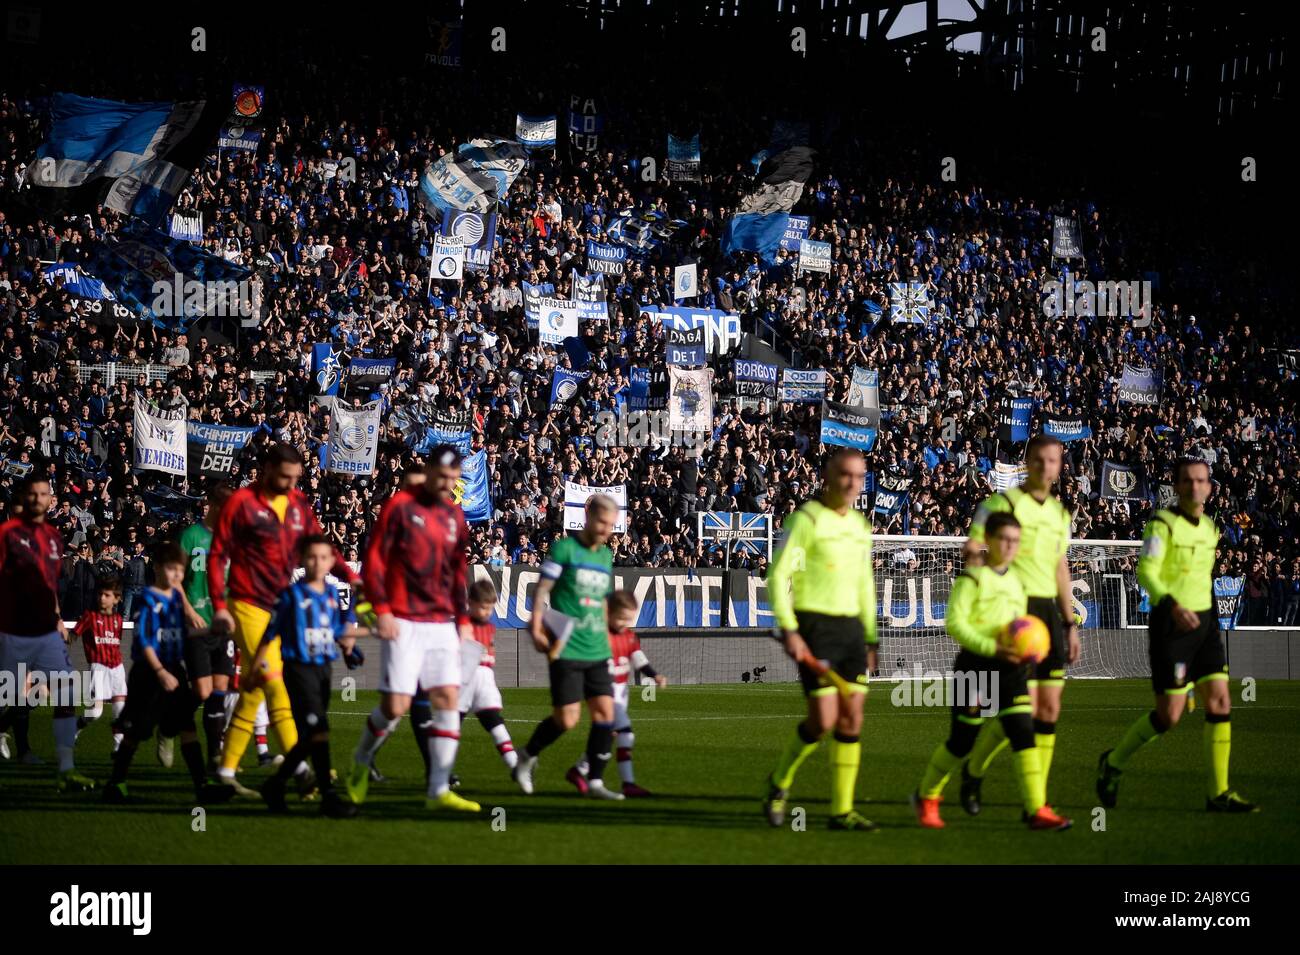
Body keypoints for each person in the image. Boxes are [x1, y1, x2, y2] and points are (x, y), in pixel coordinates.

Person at [1096, 458, 1258, 813]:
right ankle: (1114, 762)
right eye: (1188, 481)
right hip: (1171, 626)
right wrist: (1171, 604)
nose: (1195, 486)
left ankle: (1219, 793)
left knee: (1220, 702)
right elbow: (1147, 571)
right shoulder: (1162, 525)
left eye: (1201, 481)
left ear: (1210, 488)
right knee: (1168, 716)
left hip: (1205, 626)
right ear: (1177, 485)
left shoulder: (1211, 528)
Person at [208, 443, 358, 796]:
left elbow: (319, 544)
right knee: (276, 683)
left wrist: (350, 574)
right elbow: (218, 556)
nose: (291, 484)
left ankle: (225, 771)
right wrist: (218, 606)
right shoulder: (242, 504)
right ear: (267, 469)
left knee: (256, 687)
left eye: (296, 478)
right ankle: (303, 769)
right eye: (285, 477)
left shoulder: (298, 504)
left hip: (281, 606)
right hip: (246, 603)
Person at [911, 512, 1071, 830]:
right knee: (962, 742)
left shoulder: (1017, 583)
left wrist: (1030, 647)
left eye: (1015, 540)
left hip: (1010, 669)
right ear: (989, 542)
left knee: (1024, 731)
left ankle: (1036, 809)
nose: (1010, 546)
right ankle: (926, 796)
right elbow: (955, 624)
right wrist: (993, 647)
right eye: (1003, 539)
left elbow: (1021, 627)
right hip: (975, 668)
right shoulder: (971, 579)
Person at [346, 446, 479, 813]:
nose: (447, 484)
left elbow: (456, 573)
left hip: (440, 623)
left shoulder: (455, 516)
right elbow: (375, 559)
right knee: (396, 706)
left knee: (448, 701)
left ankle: (437, 788)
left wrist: (463, 620)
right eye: (442, 477)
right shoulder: (401, 507)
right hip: (403, 619)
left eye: (454, 479)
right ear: (430, 471)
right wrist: (382, 609)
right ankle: (360, 760)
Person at [958, 434, 1076, 814]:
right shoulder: (1001, 503)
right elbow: (972, 550)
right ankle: (982, 773)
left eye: (1053, 461)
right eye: (1038, 460)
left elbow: (1060, 566)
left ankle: (1032, 798)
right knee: (1019, 710)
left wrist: (1069, 622)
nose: (1045, 467)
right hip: (1013, 612)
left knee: (1048, 711)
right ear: (1027, 462)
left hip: (1048, 616)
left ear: (1059, 466)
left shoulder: (1060, 514)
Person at [763, 448, 878, 831]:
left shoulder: (860, 526)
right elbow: (778, 576)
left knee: (852, 719)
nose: (852, 483)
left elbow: (865, 582)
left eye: (859, 477)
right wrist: (790, 628)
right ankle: (779, 781)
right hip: (815, 627)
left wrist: (871, 637)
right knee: (822, 720)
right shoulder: (806, 520)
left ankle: (841, 812)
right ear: (829, 475)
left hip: (851, 632)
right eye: (846, 475)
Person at [513, 494, 623, 800]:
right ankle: (527, 755)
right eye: (602, 522)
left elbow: (601, 601)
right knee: (568, 720)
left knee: (605, 715)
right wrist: (535, 625)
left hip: (597, 647)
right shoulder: (565, 548)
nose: (606, 530)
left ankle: (596, 781)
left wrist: (609, 635)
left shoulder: (605, 556)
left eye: (611, 526)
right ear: (588, 518)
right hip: (567, 645)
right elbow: (542, 589)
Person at [247, 535, 365, 818]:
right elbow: (269, 633)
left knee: (312, 736)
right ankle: (328, 797)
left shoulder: (330, 595)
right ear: (302, 559)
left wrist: (350, 648)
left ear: (331, 562)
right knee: (319, 731)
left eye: (324, 558)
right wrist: (254, 669)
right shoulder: (290, 596)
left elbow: (335, 630)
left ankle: (275, 786)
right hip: (298, 669)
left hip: (324, 669)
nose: (318, 563)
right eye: (312, 557)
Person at [0, 476, 95, 792]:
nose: (39, 499)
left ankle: (65, 768)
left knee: (65, 689)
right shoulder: (7, 535)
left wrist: (56, 618)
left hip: (44, 628)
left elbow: (48, 585)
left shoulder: (53, 538)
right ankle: (17, 744)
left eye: (45, 493)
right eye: (33, 494)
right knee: (13, 694)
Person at [102, 543, 212, 804]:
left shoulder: (176, 599)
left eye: (180, 571)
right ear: (157, 568)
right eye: (170, 569)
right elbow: (144, 641)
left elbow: (179, 635)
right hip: (150, 673)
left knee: (187, 726)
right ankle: (116, 783)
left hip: (174, 670)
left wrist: (210, 631)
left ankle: (202, 786)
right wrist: (160, 671)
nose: (175, 575)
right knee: (136, 731)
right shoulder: (148, 599)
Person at [570, 589, 667, 797]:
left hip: (621, 691)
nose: (625, 623)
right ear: (609, 613)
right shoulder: (599, 635)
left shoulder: (630, 637)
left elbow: (638, 659)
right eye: (621, 618)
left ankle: (579, 770)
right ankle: (627, 784)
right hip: (603, 689)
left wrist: (654, 675)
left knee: (609, 735)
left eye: (629, 618)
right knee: (625, 734)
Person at [453, 579, 518, 784]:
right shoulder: (462, 623)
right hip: (463, 681)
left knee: (493, 719)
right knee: (451, 729)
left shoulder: (489, 627)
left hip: (484, 680)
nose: (487, 612)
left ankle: (516, 766)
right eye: (483, 607)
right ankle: (440, 772)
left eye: (490, 608)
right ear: (470, 603)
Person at [74, 577, 126, 753]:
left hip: (117, 668)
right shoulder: (89, 616)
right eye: (100, 594)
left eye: (107, 595)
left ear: (117, 598)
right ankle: (76, 725)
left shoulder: (118, 620)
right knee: (95, 713)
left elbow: (116, 642)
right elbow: (73, 635)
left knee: (120, 710)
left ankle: (118, 747)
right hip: (98, 668)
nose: (102, 598)